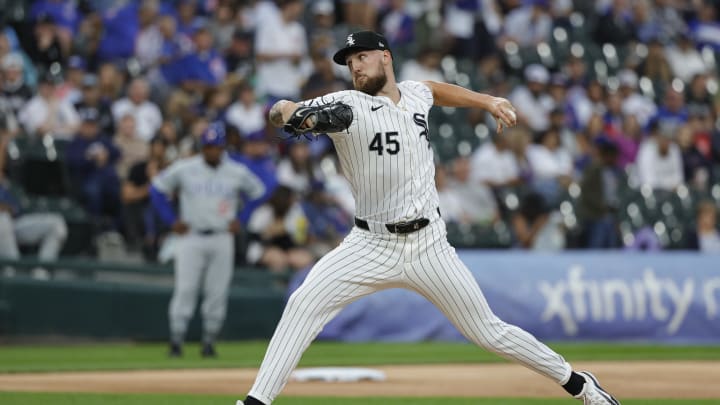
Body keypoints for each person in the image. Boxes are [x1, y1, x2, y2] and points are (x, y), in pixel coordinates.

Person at [236, 31, 621, 405]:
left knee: (488, 331)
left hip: (428, 245)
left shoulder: (415, 94)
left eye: (362, 57)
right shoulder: (347, 104)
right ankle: (256, 402)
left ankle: (580, 385)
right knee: (303, 304)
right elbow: (283, 111)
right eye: (350, 62)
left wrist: (486, 101)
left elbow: (435, 89)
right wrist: (291, 113)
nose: (355, 66)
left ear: (385, 56)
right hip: (369, 244)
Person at [150, 123, 264, 358]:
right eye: (209, 146)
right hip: (191, 235)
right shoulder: (184, 168)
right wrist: (171, 220)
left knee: (217, 292)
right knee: (186, 289)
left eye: (217, 147)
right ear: (203, 146)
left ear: (223, 148)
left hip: (222, 236)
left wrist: (241, 218)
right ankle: (176, 339)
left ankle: (209, 341)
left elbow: (260, 192)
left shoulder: (236, 171)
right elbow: (156, 190)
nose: (212, 151)